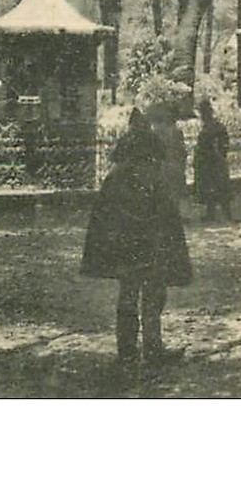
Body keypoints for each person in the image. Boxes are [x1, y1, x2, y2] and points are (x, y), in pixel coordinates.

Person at [81, 108, 192, 369]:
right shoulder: (154, 178)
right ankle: (152, 348)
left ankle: (127, 350)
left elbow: (103, 220)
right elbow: (167, 218)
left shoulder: (114, 179)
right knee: (153, 295)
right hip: (149, 248)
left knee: (129, 293)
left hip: (125, 249)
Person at [193, 97, 233, 221]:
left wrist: (218, 154)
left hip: (213, 161)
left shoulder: (213, 128)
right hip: (210, 161)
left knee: (217, 187)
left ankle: (225, 214)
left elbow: (222, 144)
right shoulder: (214, 126)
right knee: (214, 187)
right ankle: (213, 214)